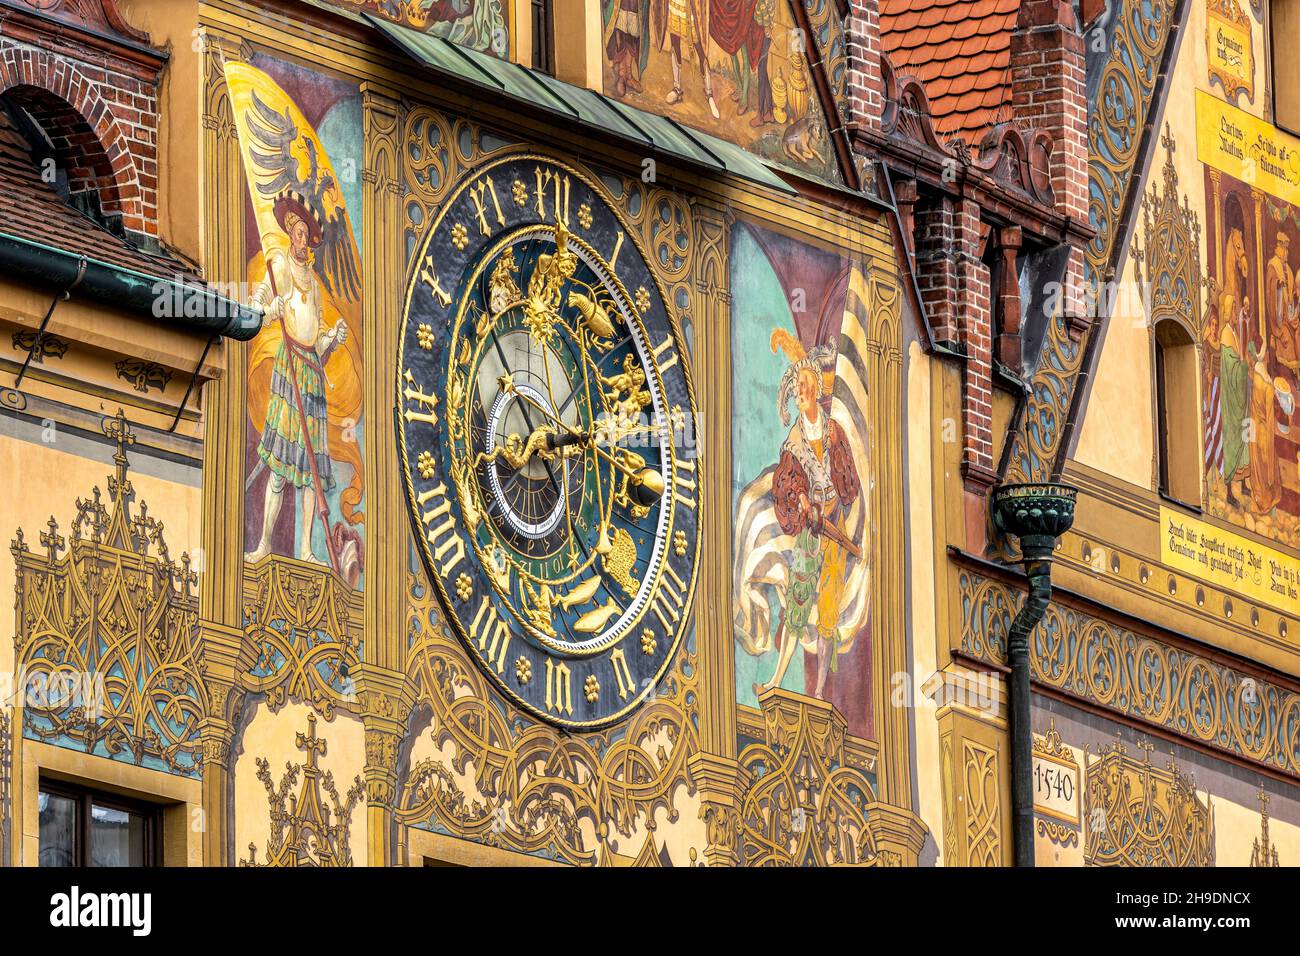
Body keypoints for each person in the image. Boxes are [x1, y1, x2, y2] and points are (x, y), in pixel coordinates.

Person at [245, 191, 350, 565]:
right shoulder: (281, 267)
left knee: (310, 473)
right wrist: (270, 308)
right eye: (298, 233)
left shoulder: (314, 283)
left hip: (311, 374)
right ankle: (264, 544)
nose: (302, 239)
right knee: (280, 464)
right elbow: (257, 308)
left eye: (307, 234)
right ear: (290, 234)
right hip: (288, 371)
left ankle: (306, 550)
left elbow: (317, 340)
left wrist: (331, 340)